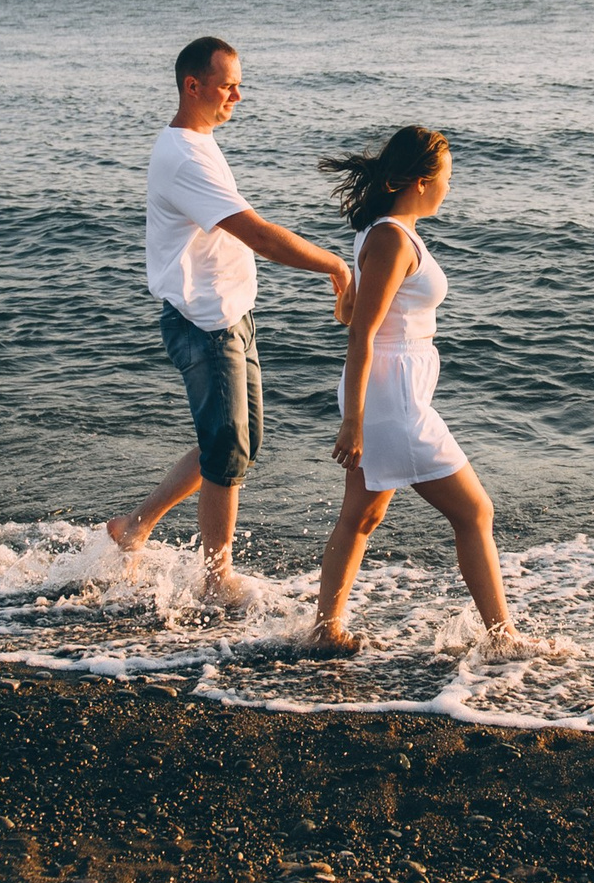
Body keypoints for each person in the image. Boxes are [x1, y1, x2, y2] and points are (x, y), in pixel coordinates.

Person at [106, 37, 353, 604]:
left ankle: (134, 527)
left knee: (239, 443)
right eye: (227, 85)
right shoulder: (185, 157)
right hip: (204, 320)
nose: (238, 95)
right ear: (193, 86)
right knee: (226, 449)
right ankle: (216, 580)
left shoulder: (198, 142)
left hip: (230, 314)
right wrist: (334, 265)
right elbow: (260, 234)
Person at [305, 125, 517, 653]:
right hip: (392, 398)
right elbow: (361, 332)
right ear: (422, 180)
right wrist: (352, 421)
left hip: (394, 391)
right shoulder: (392, 238)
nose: (450, 187)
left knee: (362, 515)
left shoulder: (386, 232)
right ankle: (502, 637)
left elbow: (353, 314)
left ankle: (325, 630)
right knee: (474, 513)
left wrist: (347, 297)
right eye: (447, 177)